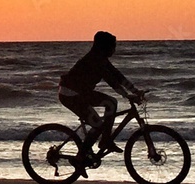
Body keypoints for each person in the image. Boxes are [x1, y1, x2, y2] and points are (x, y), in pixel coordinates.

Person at [58, 31, 144, 159]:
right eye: (112, 46)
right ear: (104, 47)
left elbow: (117, 75)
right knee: (100, 122)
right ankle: (84, 154)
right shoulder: (94, 60)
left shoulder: (101, 59)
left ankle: (105, 140)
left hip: (81, 93)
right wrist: (126, 95)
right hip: (71, 95)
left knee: (111, 104)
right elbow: (111, 81)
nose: (114, 49)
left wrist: (135, 91)